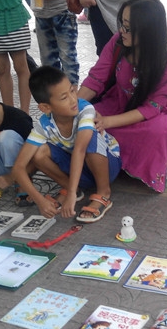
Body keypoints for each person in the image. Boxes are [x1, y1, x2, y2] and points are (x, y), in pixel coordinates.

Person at [76, 0, 167, 193]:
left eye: (128, 27)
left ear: (147, 31)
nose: (122, 32)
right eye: (122, 25)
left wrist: (107, 122)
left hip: (153, 115)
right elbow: (96, 79)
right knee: (86, 120)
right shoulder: (118, 42)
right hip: (118, 103)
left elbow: (152, 107)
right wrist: (72, 107)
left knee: (154, 134)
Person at [11, 66, 121, 223]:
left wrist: (69, 195)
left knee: (88, 140)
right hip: (81, 170)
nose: (73, 99)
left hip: (108, 165)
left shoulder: (85, 110)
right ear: (45, 107)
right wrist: (40, 200)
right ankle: (74, 188)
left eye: (72, 91)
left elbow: (80, 150)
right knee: (38, 153)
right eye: (64, 97)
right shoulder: (44, 124)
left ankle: (104, 192)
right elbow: (18, 167)